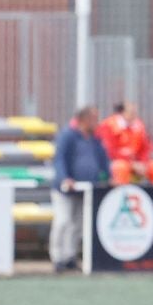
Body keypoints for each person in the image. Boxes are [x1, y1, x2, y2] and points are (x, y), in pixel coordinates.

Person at [50, 105, 108, 272]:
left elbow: (102, 159)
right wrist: (65, 178)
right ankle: (57, 256)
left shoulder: (94, 138)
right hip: (65, 189)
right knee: (63, 221)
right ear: (84, 119)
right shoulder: (68, 135)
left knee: (78, 224)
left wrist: (107, 175)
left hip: (86, 189)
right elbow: (59, 159)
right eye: (94, 118)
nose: (96, 122)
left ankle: (70, 256)